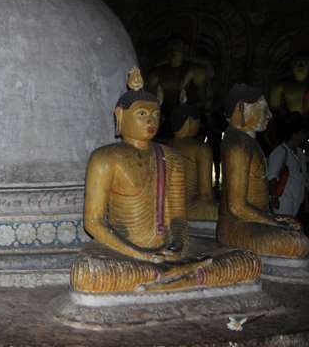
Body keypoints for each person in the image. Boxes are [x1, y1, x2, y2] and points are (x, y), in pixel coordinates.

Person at [71, 67, 259, 293]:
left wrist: (177, 244)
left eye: (155, 115)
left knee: (247, 262)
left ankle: (168, 278)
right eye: (142, 114)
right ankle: (177, 277)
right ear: (120, 115)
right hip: (127, 254)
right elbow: (93, 222)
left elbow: (178, 217)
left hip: (169, 254)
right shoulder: (104, 159)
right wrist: (139, 253)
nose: (151, 120)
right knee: (88, 274)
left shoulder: (171, 158)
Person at [217, 84, 309, 258]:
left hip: (251, 221)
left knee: (297, 231)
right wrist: (273, 221)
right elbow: (236, 207)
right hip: (236, 226)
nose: (270, 115)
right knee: (298, 243)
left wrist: (274, 218)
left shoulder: (247, 141)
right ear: (242, 108)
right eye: (263, 109)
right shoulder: (238, 144)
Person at [267, 113, 308, 218]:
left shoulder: (300, 153)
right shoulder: (280, 152)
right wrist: (274, 198)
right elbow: (271, 177)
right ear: (294, 134)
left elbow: (304, 178)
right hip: (283, 201)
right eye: (303, 132)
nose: (305, 135)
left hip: (297, 201)